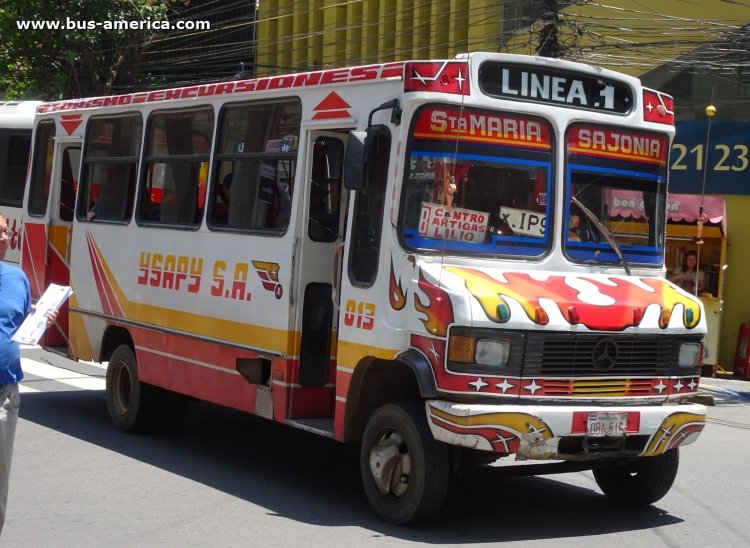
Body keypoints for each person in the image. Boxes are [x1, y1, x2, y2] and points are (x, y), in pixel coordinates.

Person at [0, 213, 56, 536]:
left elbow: (21, 328)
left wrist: (41, 321)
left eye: (7, 232)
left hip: (5, 394)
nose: (6, 238)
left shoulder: (18, 278)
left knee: (0, 482)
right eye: (0, 233)